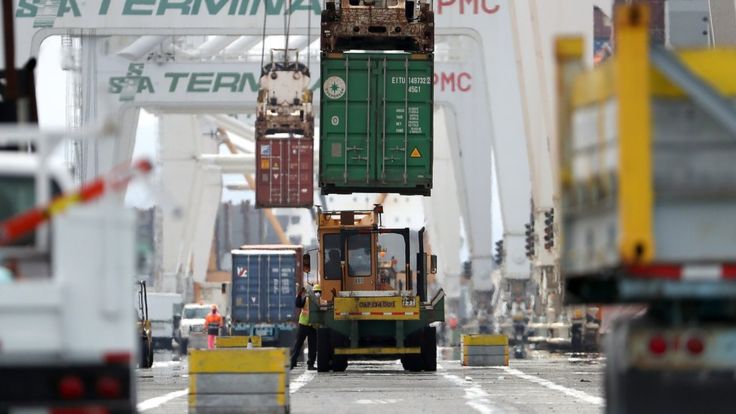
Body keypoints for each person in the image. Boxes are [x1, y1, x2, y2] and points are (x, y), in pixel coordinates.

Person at [290, 284, 321, 370]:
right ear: (312, 292)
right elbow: (298, 304)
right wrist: (299, 294)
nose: (318, 293)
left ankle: (310, 365)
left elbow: (326, 308)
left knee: (313, 347)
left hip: (313, 326)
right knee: (298, 345)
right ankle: (292, 363)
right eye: (316, 292)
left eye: (319, 292)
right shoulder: (306, 299)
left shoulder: (320, 301)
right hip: (303, 325)